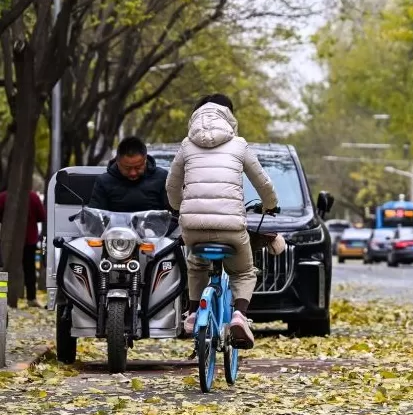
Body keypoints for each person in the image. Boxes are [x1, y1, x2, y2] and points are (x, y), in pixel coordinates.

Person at [166, 94, 278, 350]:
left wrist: (178, 207)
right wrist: (270, 204)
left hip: (193, 228)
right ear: (229, 117)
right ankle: (239, 315)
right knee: (243, 272)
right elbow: (263, 183)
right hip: (231, 228)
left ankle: (193, 313)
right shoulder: (239, 145)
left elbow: (171, 185)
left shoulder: (186, 146)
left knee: (197, 265)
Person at [90, 136, 170, 212]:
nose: (133, 173)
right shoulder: (103, 181)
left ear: (145, 160)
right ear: (117, 162)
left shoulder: (162, 177)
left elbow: (173, 213)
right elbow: (95, 215)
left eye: (138, 167)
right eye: (127, 168)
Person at [0, 188, 46, 307]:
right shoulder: (33, 197)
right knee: (29, 269)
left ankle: (6, 296)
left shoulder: (4, 197)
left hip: (9, 239)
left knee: (7, 267)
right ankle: (31, 298)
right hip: (29, 239)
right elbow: (42, 216)